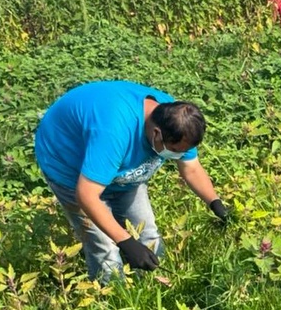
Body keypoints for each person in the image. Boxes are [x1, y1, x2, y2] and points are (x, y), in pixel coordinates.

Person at [34, 80, 228, 283]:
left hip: (118, 170)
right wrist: (125, 241)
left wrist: (215, 203)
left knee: (148, 235)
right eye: (174, 151)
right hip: (69, 165)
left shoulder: (180, 123)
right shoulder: (114, 132)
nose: (178, 155)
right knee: (105, 249)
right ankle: (111, 295)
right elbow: (87, 195)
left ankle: (153, 287)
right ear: (156, 134)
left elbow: (192, 168)